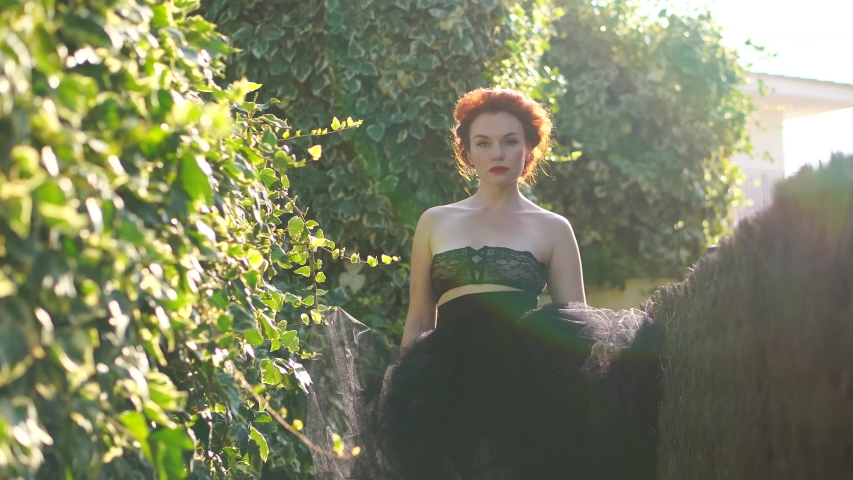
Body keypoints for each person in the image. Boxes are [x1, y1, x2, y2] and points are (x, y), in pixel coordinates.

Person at [306, 88, 665, 480]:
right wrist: (405, 391)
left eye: (510, 141)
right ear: (467, 152)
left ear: (529, 148)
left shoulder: (553, 228)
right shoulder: (435, 221)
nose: (497, 154)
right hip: (446, 379)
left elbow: (576, 325)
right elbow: (421, 317)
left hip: (523, 381)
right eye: (484, 143)